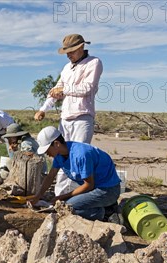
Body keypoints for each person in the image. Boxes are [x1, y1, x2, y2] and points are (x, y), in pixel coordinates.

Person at [33, 34, 103, 196]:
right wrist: (44, 108)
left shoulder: (94, 63)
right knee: (62, 160)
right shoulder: (66, 68)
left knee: (77, 159)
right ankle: (59, 197)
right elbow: (55, 91)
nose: (68, 55)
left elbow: (88, 88)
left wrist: (64, 90)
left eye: (71, 51)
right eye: (66, 52)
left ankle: (73, 198)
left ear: (80, 48)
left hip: (82, 118)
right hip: (65, 119)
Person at [29, 126, 121, 221]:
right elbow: (50, 176)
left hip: (107, 190)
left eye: (47, 150)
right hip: (93, 189)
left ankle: (106, 213)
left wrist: (62, 197)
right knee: (64, 204)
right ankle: (100, 205)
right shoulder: (59, 155)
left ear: (56, 144)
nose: (47, 153)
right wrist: (38, 196)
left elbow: (89, 185)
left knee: (67, 208)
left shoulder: (81, 155)